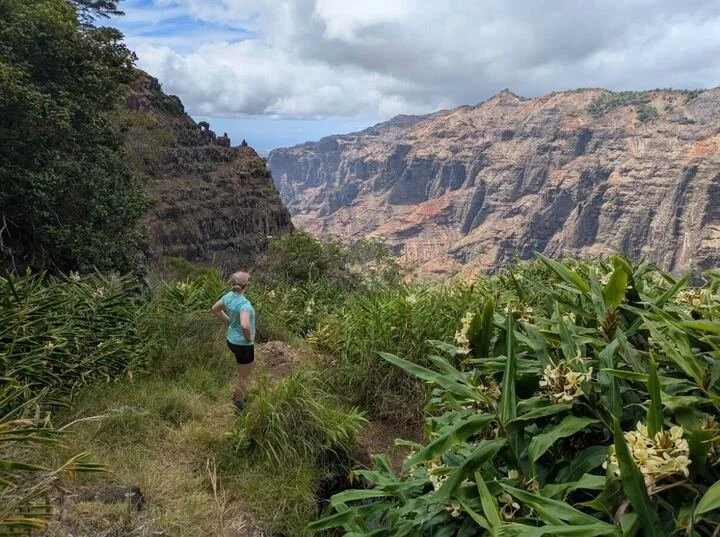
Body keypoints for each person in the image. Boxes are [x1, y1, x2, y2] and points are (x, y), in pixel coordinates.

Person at [212, 271, 256, 412]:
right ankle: (239, 403)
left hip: (231, 340)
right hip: (243, 344)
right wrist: (250, 338)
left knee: (241, 371)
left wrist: (229, 322)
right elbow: (244, 325)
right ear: (246, 286)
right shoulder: (244, 304)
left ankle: (238, 394)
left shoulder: (228, 297)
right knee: (244, 376)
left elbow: (215, 309)